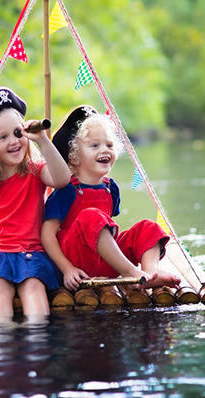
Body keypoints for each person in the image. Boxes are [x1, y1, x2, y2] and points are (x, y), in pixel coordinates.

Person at [0, 87, 71, 323]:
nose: (14, 141)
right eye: (3, 137)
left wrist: (44, 141)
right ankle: (2, 340)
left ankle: (37, 342)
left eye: (18, 133)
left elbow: (62, 179)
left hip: (32, 253)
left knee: (34, 287)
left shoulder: (35, 170)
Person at [41, 106, 181, 291]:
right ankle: (130, 271)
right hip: (76, 261)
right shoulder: (66, 190)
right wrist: (67, 269)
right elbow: (47, 234)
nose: (105, 150)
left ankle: (151, 271)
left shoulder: (110, 188)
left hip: (103, 262)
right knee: (92, 216)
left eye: (109, 145)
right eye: (95, 145)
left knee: (148, 227)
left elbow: (107, 233)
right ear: (74, 156)